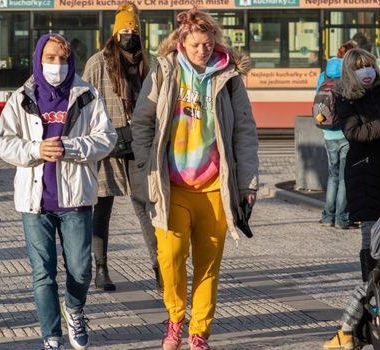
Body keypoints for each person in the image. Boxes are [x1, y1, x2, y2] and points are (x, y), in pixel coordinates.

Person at [131, 8, 259, 350]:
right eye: (196, 44)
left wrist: (248, 184)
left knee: (208, 264)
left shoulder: (228, 76)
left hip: (215, 187)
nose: (203, 50)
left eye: (208, 43)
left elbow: (245, 132)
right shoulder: (165, 71)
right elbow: (142, 123)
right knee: (170, 257)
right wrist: (147, 169)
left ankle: (199, 332)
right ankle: (175, 319)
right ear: (182, 42)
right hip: (172, 186)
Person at [0, 33, 117, 350]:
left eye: (62, 59)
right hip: (35, 202)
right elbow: (3, 142)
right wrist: (36, 148)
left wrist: (70, 147)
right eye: (50, 58)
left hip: (75, 199)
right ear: (38, 59)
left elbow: (106, 139)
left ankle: (74, 310)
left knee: (81, 270)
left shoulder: (86, 95)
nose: (57, 65)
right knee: (42, 275)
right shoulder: (22, 97)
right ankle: (51, 335)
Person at [82, 2, 161, 292]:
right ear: (115, 33)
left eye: (134, 29)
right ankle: (101, 269)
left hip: (139, 143)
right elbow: (83, 103)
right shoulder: (97, 63)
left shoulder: (148, 63)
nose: (130, 34)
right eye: (125, 29)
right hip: (106, 145)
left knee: (148, 208)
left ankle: (159, 267)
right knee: (101, 209)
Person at [323, 48, 380, 350]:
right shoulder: (346, 100)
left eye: (370, 66)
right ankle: (356, 323)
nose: (367, 71)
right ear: (351, 73)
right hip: (365, 179)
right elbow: (355, 134)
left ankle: (360, 323)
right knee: (372, 250)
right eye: (361, 67)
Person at [316, 40, 356, 230]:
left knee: (332, 176)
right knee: (344, 177)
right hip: (346, 132)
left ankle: (327, 216)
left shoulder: (324, 73)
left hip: (327, 132)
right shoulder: (349, 73)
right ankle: (342, 218)